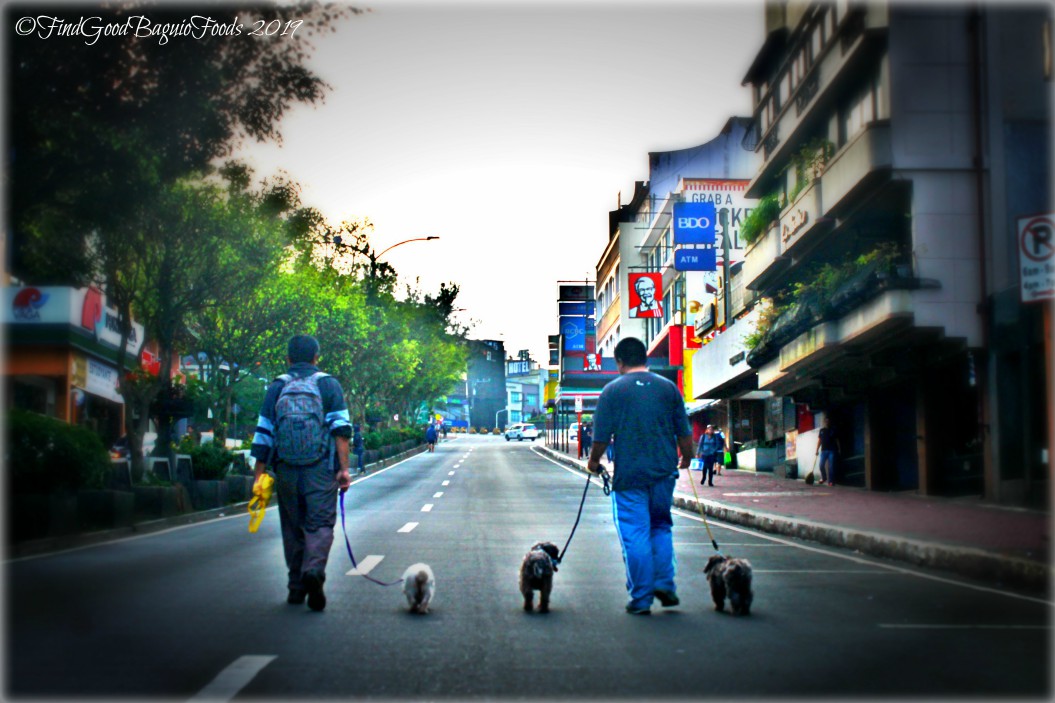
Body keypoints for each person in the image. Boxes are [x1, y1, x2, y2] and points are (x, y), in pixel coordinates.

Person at [587, 337, 694, 615]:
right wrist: (687, 457)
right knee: (660, 526)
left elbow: (600, 436)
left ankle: (642, 598)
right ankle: (666, 585)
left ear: (619, 361)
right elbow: (684, 431)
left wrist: (594, 461)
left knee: (635, 534)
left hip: (630, 476)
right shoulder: (668, 388)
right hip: (663, 473)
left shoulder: (612, 391)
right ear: (645, 358)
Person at [251, 335, 352, 612]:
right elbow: (340, 430)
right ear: (316, 357)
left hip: (285, 470)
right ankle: (314, 569)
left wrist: (259, 475)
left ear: (288, 359)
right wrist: (343, 470)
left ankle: (296, 588)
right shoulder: (328, 384)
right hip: (320, 469)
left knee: (292, 527)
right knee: (319, 523)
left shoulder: (277, 386)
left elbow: (263, 432)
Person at [815, 416, 841, 486]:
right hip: (823, 451)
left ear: (830, 422)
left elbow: (836, 440)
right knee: (821, 465)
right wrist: (816, 450)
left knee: (831, 466)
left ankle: (831, 481)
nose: (827, 422)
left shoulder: (833, 430)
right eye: (826, 421)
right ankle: (824, 478)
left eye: (828, 421)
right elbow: (819, 441)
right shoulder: (822, 430)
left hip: (832, 450)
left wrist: (839, 449)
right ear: (824, 422)